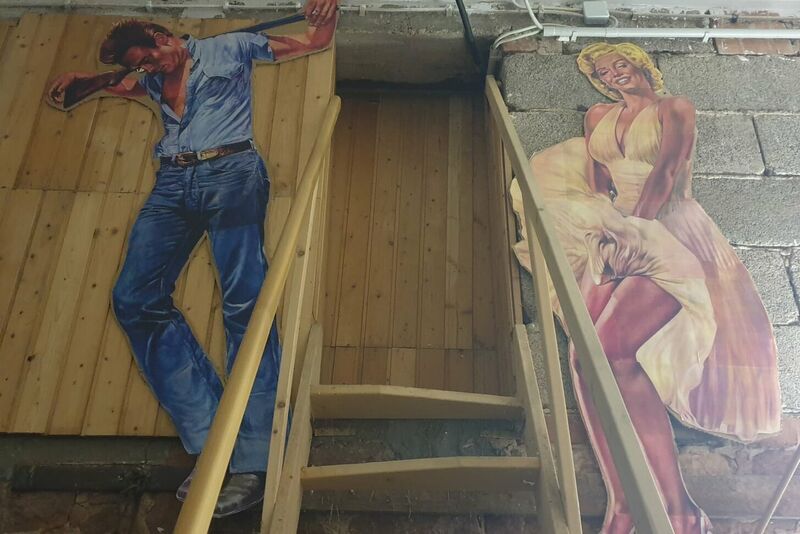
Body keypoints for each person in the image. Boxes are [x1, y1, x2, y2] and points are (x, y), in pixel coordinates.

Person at [47, 4, 336, 518]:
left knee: (245, 308)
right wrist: (87, 81)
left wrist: (326, 13)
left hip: (232, 172)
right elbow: (122, 85)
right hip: (173, 181)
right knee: (133, 299)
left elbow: (313, 42)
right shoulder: (151, 78)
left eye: (150, 57)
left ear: (163, 35)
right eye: (141, 65)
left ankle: (255, 461)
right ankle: (213, 442)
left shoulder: (230, 47)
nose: (149, 69)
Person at [512, 42, 780, 533]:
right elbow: (599, 184)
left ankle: (678, 508)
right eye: (603, 73)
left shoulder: (674, 108)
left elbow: (666, 172)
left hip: (670, 230)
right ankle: (626, 502)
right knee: (584, 357)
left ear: (640, 65)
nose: (613, 75)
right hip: (619, 230)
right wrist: (603, 228)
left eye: (620, 65)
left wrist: (635, 234)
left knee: (612, 348)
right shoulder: (597, 117)